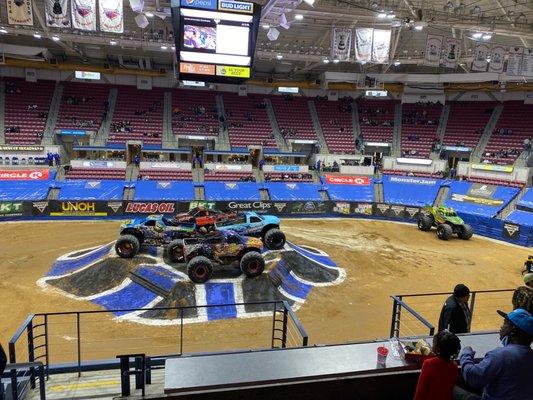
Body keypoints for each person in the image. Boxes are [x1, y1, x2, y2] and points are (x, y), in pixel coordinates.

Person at [454, 308, 533, 400]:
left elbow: (473, 377)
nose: (501, 327)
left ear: (513, 330)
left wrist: (466, 353)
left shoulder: (500, 355)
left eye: (505, 324)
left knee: (452, 389)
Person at [414, 330, 461, 400]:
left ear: (438, 348)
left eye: (434, 344)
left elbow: (420, 392)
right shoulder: (454, 366)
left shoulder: (428, 364)